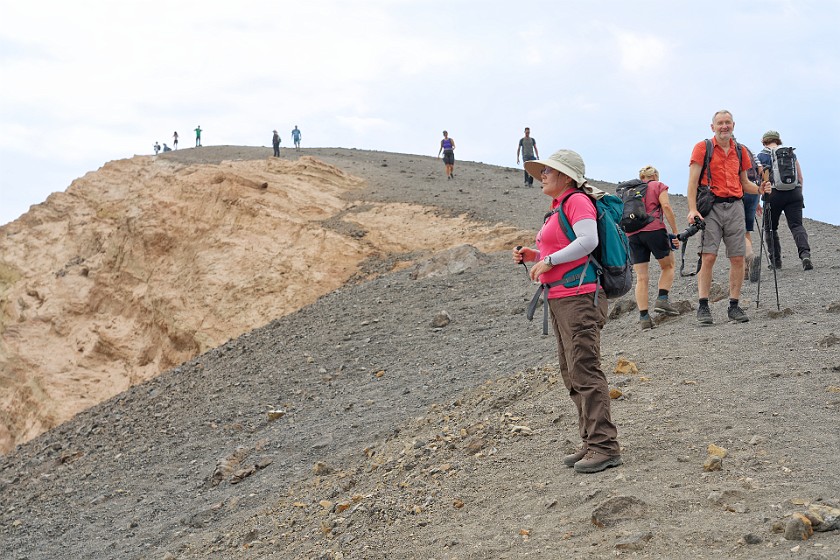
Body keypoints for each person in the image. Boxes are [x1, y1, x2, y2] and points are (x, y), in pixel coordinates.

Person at [513, 149, 622, 474]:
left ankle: (604, 446)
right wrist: (535, 255)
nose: (543, 175)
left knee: (584, 369)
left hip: (579, 297)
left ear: (566, 176)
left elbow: (587, 241)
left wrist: (549, 260)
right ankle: (590, 441)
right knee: (571, 371)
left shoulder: (576, 201)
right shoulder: (559, 207)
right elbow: (567, 248)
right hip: (562, 297)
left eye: (548, 171)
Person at [686, 110, 769, 325]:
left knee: (738, 257)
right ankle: (703, 305)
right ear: (712, 127)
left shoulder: (740, 151)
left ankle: (734, 305)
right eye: (720, 123)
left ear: (733, 125)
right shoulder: (702, 148)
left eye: (727, 123)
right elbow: (692, 182)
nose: (724, 126)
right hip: (711, 207)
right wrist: (693, 210)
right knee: (708, 256)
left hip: (735, 207)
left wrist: (760, 189)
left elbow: (745, 183)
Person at [628, 166, 681, 330]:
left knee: (641, 277)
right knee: (668, 266)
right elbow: (666, 206)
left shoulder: (630, 191)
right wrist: (675, 232)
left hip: (632, 234)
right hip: (654, 230)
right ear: (655, 175)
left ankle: (644, 318)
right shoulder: (658, 185)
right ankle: (662, 300)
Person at [756, 130, 812, 271]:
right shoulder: (789, 153)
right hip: (794, 192)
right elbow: (800, 177)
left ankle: (776, 262)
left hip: (773, 194)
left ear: (764, 141)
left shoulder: (761, 156)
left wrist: (757, 200)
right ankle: (805, 255)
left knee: (770, 228)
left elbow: (760, 180)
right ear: (778, 140)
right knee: (797, 225)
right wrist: (799, 194)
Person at [737, 139, 763, 281]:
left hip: (738, 191)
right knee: (746, 230)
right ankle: (747, 268)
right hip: (753, 191)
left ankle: (749, 259)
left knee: (736, 230)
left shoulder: (729, 151)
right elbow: (760, 171)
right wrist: (757, 196)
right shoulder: (749, 150)